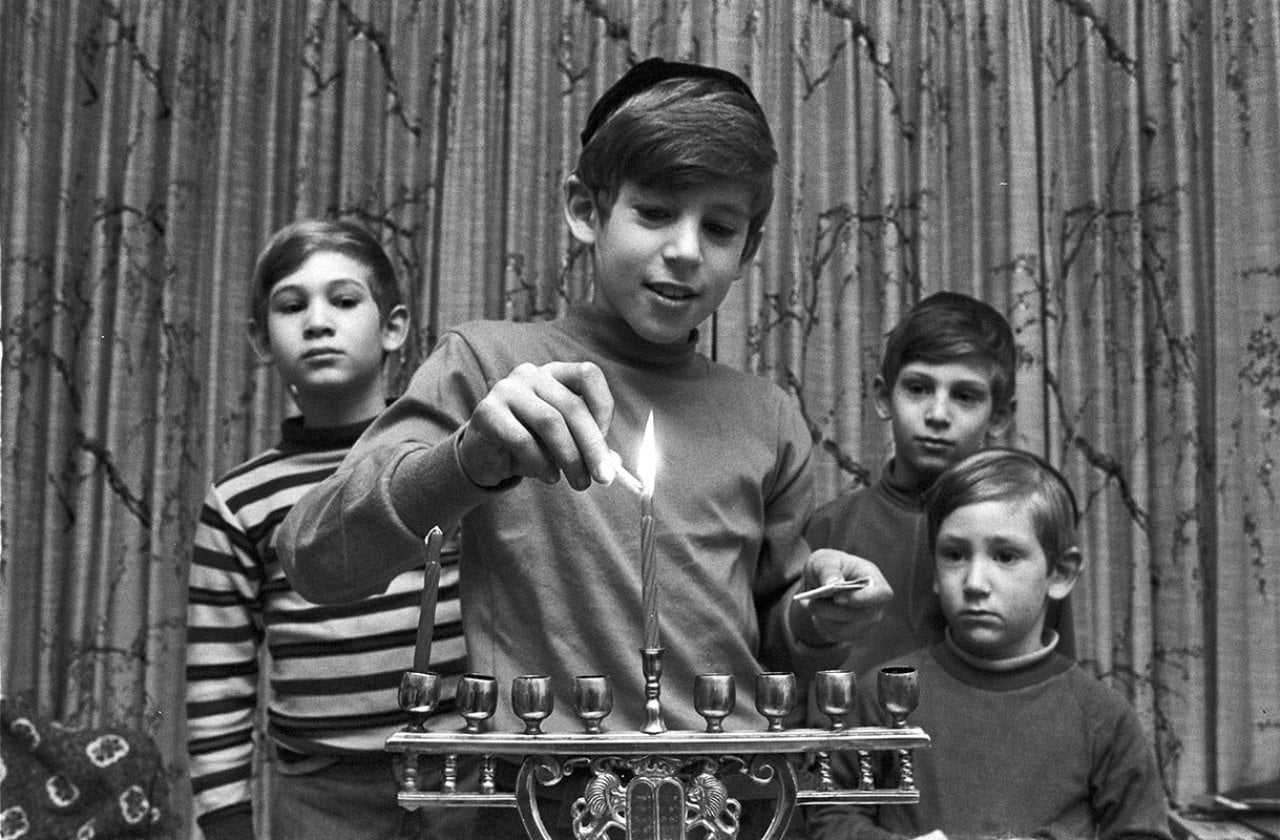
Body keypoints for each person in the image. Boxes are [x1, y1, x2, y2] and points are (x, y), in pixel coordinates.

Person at [277, 59, 891, 836]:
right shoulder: (490, 368)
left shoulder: (769, 416)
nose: (685, 251)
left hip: (732, 806)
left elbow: (771, 649)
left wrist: (816, 618)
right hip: (543, 807)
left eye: (720, 228)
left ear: (751, 244)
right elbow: (315, 557)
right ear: (584, 210)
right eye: (656, 212)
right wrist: (468, 460)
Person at [185, 219, 468, 840]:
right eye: (292, 306)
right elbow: (217, 676)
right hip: (320, 793)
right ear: (261, 338)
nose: (317, 320)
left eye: (343, 301)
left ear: (393, 327)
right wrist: (227, 820)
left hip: (460, 774)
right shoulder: (238, 500)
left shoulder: (449, 468)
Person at [807, 448, 1172, 840]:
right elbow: (830, 817)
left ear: (1061, 573)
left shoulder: (1103, 719)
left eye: (1005, 556)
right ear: (934, 569)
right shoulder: (884, 695)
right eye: (954, 555)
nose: (975, 582)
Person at [807, 292, 1074, 674]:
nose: (937, 414)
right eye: (918, 389)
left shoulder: (1027, 535)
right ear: (884, 397)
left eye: (965, 396)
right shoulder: (830, 528)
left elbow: (1053, 681)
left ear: (999, 415)